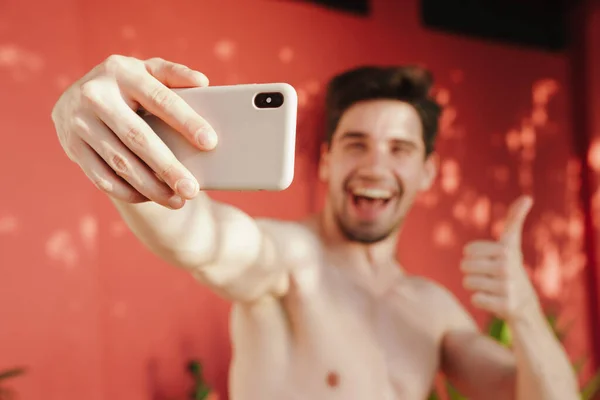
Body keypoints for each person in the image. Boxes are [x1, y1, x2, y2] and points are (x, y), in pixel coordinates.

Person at [51, 55, 578, 400]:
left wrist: (526, 314)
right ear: (326, 162)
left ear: (427, 171)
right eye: (356, 144)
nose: (374, 165)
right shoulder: (287, 261)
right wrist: (121, 146)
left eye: (399, 149)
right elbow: (204, 242)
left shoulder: (432, 309)